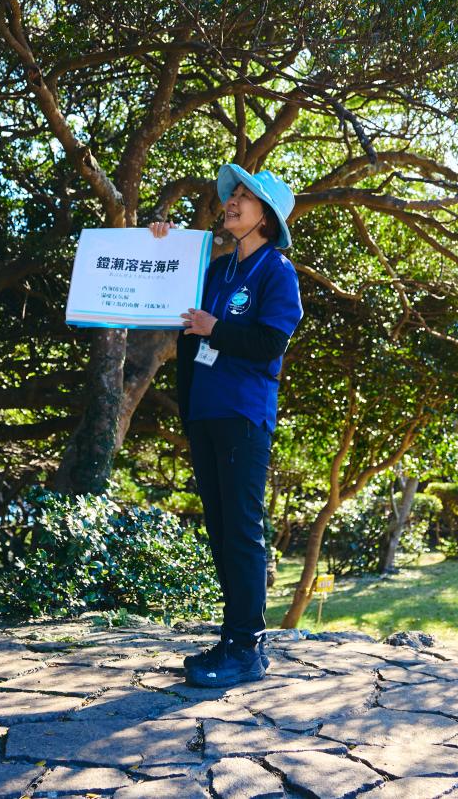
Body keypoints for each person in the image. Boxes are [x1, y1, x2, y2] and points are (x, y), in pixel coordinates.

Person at [151, 164, 302, 688]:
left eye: (244, 197)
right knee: (220, 528)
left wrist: (218, 328)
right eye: (232, 195)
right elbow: (175, 301)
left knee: (240, 530)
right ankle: (232, 637)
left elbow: (269, 344)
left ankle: (248, 646)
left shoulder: (276, 272)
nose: (232, 202)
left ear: (267, 217)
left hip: (243, 415)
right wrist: (161, 245)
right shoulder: (217, 271)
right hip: (206, 414)